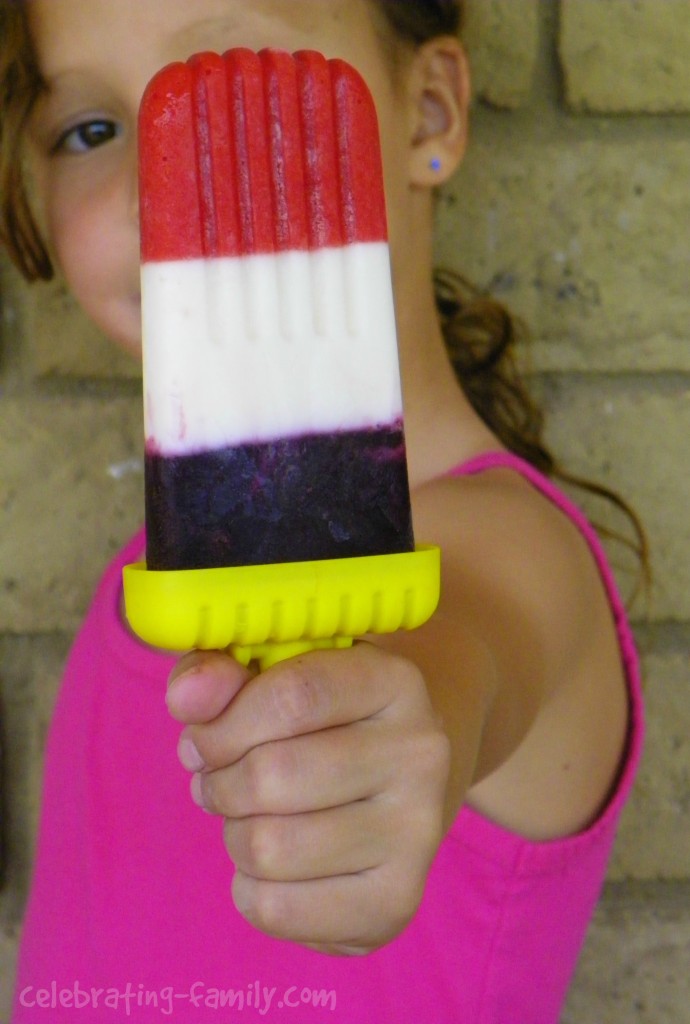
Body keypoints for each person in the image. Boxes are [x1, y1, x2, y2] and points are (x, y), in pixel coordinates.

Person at [0, 1, 645, 1021]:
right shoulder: (146, 575)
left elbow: (461, 657)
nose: (153, 186)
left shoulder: (516, 553)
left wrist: (394, 733)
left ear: (428, 113)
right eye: (92, 130)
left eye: (227, 90)